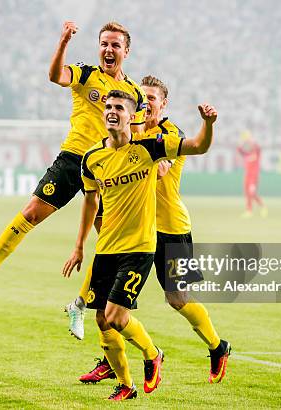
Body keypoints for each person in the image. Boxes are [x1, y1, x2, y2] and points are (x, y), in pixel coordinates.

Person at [0, 21, 147, 305]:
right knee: (31, 214)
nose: (108, 50)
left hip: (107, 170)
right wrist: (63, 42)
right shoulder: (86, 75)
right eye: (104, 44)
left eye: (115, 45)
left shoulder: (135, 94)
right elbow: (55, 76)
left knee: (110, 240)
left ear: (127, 51)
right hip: (74, 159)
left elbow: (135, 137)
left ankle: (84, 304)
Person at [74, 76, 230, 386]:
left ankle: (217, 346)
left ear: (163, 103)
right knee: (112, 305)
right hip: (135, 232)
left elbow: (158, 170)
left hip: (171, 228)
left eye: (152, 99)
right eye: (142, 99)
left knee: (177, 298)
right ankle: (111, 361)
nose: (147, 104)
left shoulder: (169, 134)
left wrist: (138, 135)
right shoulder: (129, 135)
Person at [237, 130, 267, 218]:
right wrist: (241, 143)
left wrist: (250, 140)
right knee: (247, 193)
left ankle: (262, 206)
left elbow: (258, 147)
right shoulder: (247, 154)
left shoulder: (256, 152)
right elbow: (240, 151)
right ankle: (249, 210)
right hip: (247, 176)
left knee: (252, 193)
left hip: (254, 176)